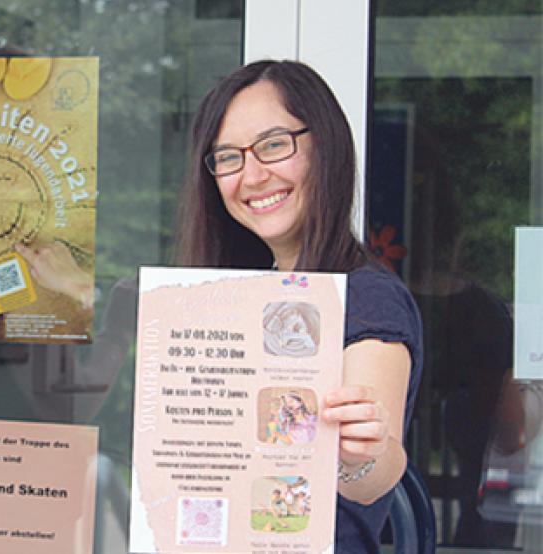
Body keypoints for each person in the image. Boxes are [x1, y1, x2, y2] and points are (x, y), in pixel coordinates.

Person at [177, 59, 422, 552]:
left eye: (273, 146)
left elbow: (374, 473)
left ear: (324, 148)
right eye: (228, 157)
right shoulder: (251, 294)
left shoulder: (368, 299)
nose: (252, 175)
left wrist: (360, 454)